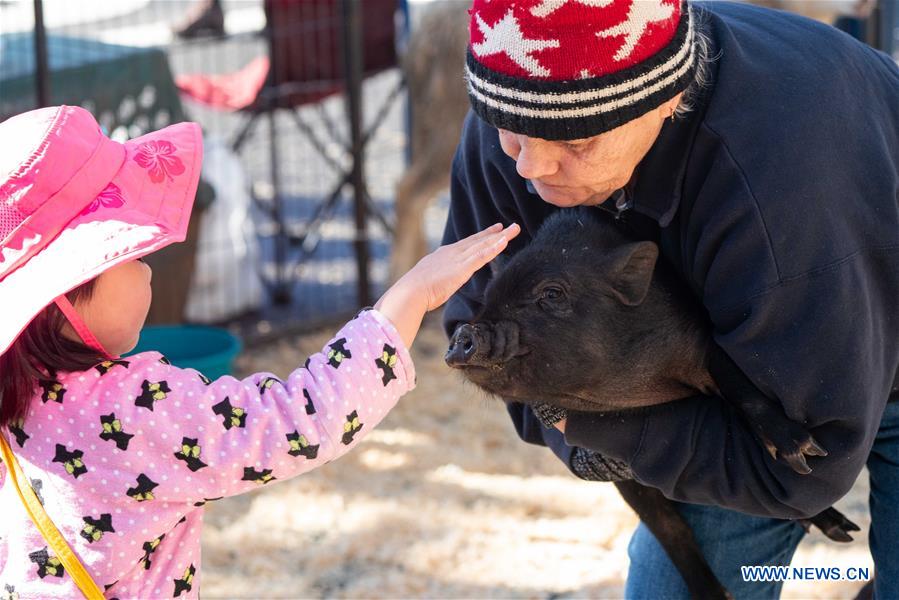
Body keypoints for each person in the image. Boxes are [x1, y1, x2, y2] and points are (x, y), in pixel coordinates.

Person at [441, 0, 899, 597]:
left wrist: (620, 434)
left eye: (577, 141)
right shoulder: (523, 101)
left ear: (663, 101)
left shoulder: (778, 185)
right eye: (512, 134)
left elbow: (802, 472)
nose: (532, 167)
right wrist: (584, 433)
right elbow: (475, 317)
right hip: (728, 384)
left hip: (840, 325)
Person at [0, 105, 519, 598]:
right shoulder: (127, 410)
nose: (149, 268)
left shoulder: (17, 395)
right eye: (131, 256)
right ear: (64, 294)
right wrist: (409, 298)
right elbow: (299, 419)